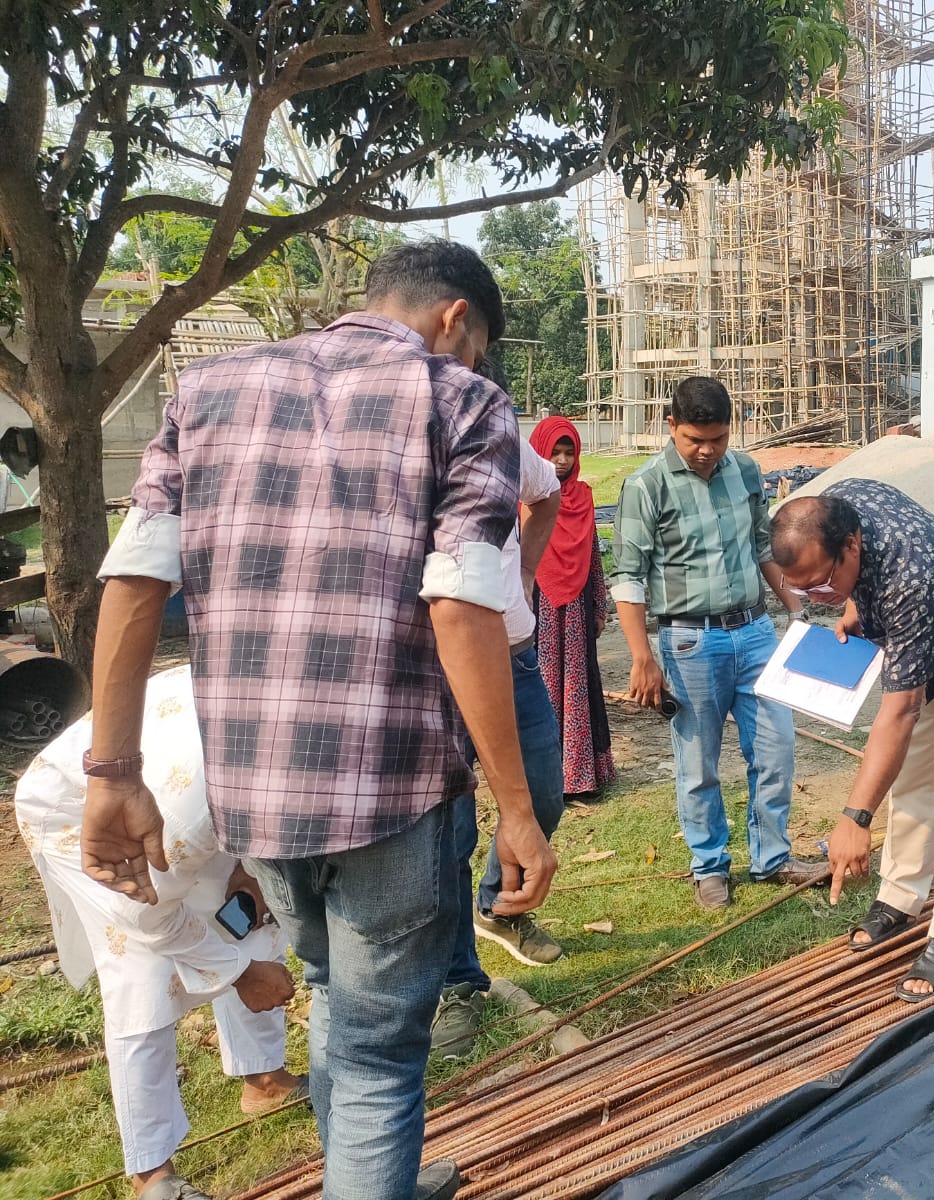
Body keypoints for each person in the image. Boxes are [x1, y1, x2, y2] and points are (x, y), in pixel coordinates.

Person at [84, 242, 558, 1200]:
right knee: (380, 1054)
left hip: (255, 797)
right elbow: (463, 606)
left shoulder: (206, 389)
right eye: (477, 347)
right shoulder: (462, 400)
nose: (475, 364)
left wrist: (113, 772)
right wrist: (517, 808)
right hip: (393, 791)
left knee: (338, 994)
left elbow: (134, 579)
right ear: (456, 319)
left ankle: (367, 1180)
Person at [15, 666, 303, 1200]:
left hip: (191, 793)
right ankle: (152, 1173)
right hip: (82, 811)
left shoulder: (295, 735)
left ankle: (265, 1080)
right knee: (144, 975)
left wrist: (247, 866)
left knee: (247, 914)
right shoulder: (189, 812)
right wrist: (241, 974)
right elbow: (146, 914)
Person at [771, 481, 934, 1002]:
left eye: (823, 585)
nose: (819, 598)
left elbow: (901, 710)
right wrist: (851, 600)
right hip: (929, 637)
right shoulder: (837, 506)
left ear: (851, 545)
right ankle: (900, 895)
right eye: (805, 592)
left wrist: (856, 818)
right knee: (912, 766)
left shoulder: (909, 574)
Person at [610, 376, 825, 909]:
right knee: (698, 762)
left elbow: (762, 547)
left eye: (719, 439)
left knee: (776, 749)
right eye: (695, 440)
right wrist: (641, 656)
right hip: (690, 642)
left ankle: (772, 857)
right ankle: (709, 865)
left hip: (755, 632)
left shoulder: (747, 471)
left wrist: (796, 610)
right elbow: (628, 576)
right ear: (671, 427)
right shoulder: (646, 486)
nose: (707, 451)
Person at [433, 420, 565, 1059]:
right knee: (449, 831)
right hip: (439, 668)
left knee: (542, 797)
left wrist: (527, 571)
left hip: (514, 656)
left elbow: (548, 494)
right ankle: (457, 982)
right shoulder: (407, 437)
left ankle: (497, 907)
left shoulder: (502, 437)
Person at [530, 415, 617, 798]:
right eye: (554, 453)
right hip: (537, 605)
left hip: (577, 607)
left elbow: (593, 555)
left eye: (568, 453)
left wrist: (599, 605)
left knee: (577, 684)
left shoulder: (583, 498)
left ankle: (580, 775)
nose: (562, 461)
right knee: (543, 685)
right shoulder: (526, 498)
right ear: (538, 453)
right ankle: (546, 777)